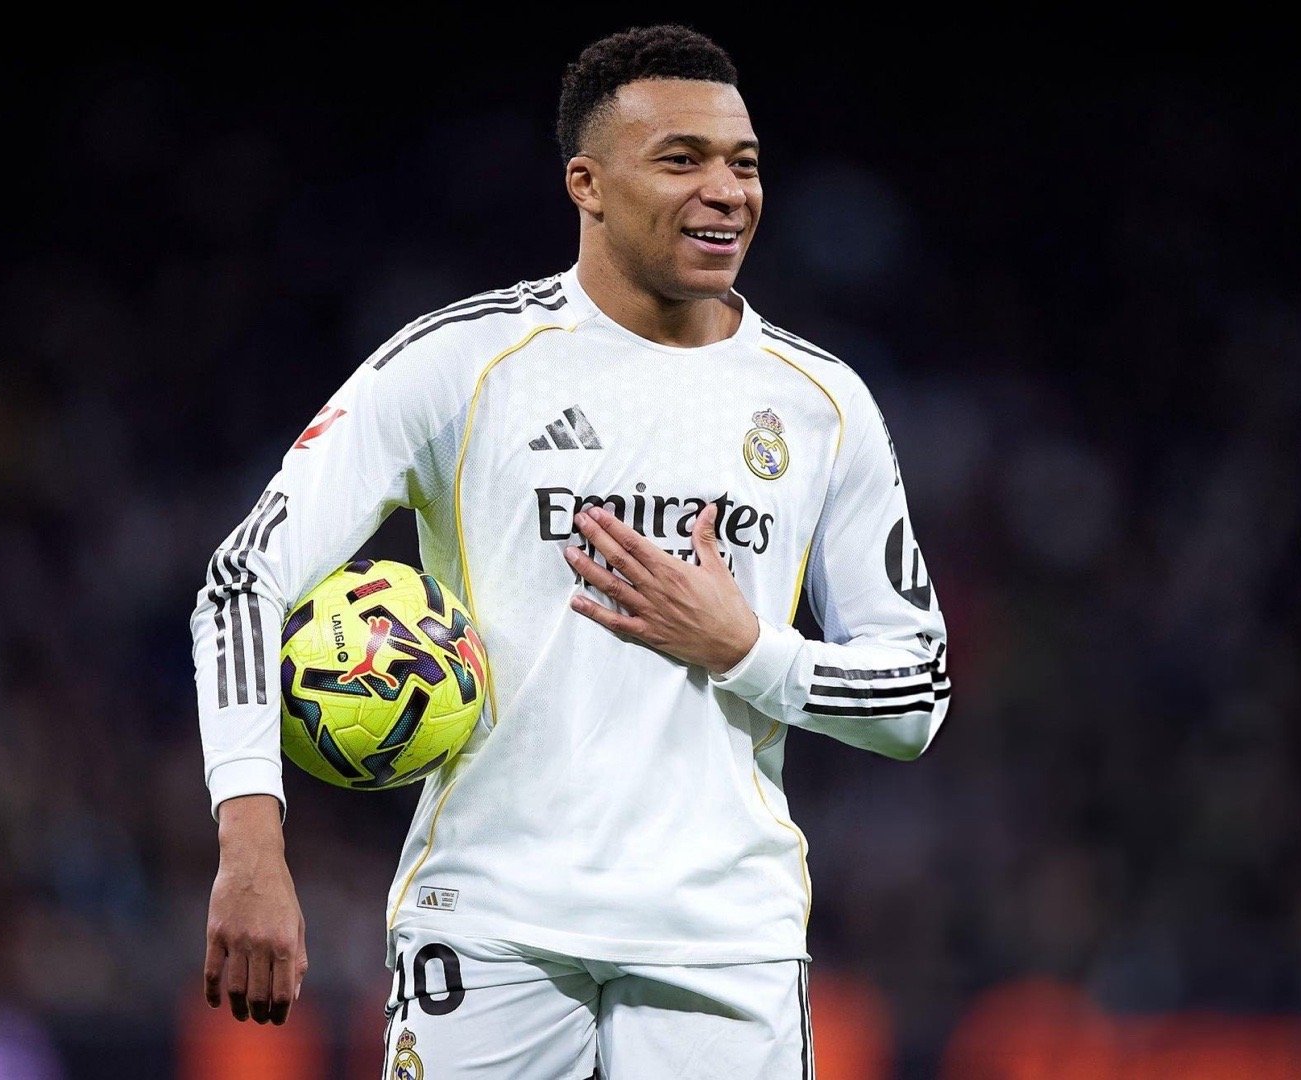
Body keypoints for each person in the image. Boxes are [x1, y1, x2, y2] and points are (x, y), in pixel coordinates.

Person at [191, 22, 949, 1078]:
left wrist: (747, 650)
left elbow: (916, 693)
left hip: (723, 937)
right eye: (680, 159)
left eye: (743, 164)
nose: (726, 192)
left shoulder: (821, 401)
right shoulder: (462, 362)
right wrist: (250, 842)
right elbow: (242, 580)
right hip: (487, 919)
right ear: (586, 185)